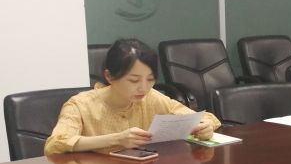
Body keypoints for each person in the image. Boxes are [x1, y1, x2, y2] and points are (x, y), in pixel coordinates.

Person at [44, 38, 219, 155]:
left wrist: (205, 127)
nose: (144, 88)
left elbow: (206, 118)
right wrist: (117, 139)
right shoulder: (80, 105)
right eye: (134, 80)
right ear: (109, 76)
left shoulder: (151, 97)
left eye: (150, 79)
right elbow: (55, 145)